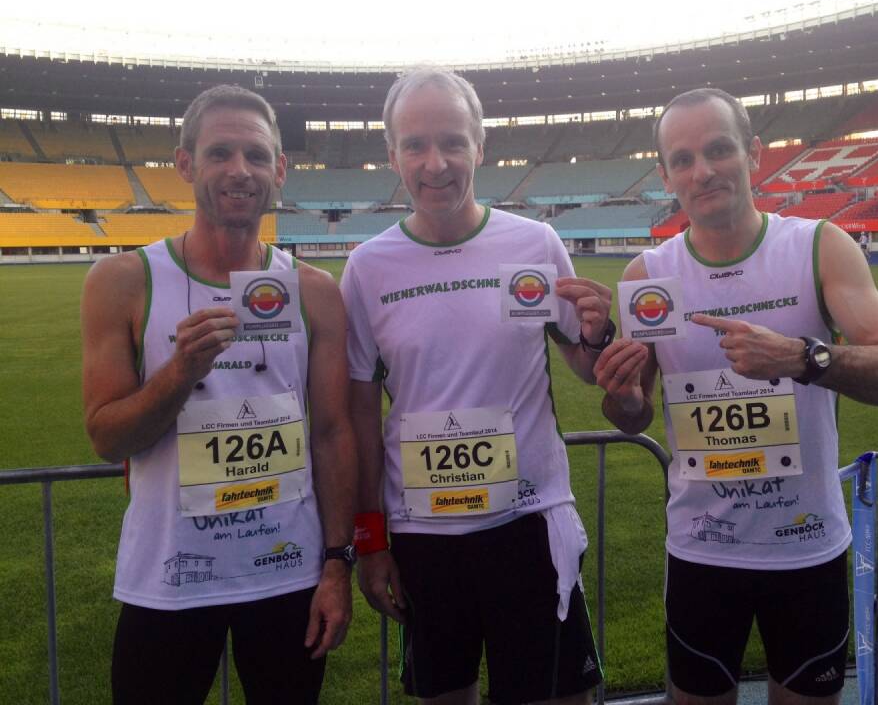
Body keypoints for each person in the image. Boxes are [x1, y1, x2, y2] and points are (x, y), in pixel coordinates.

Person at [594, 88, 878, 705]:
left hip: (806, 546)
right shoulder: (646, 277)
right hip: (701, 546)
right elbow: (633, 415)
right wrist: (620, 395)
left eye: (718, 150)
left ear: (752, 154)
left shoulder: (817, 246)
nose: (704, 170)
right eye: (684, 159)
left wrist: (803, 358)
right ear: (666, 175)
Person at [81, 84, 358, 705]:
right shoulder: (123, 281)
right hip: (169, 580)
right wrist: (179, 372)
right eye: (220, 153)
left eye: (257, 156)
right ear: (185, 165)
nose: (240, 171)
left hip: (287, 575)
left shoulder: (312, 291)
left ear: (280, 170)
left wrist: (338, 564)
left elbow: (334, 431)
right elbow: (106, 438)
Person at [342, 67, 610, 705]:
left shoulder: (534, 242)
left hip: (528, 521)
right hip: (423, 535)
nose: (436, 163)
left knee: (549, 696)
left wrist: (598, 334)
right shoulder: (367, 268)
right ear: (392, 156)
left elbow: (581, 358)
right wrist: (371, 543)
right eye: (416, 145)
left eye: (453, 142)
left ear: (480, 147)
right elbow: (355, 420)